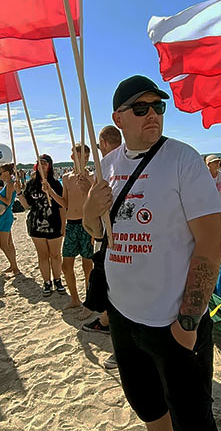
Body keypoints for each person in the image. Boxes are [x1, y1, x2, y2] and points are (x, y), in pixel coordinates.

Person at [83, 75, 221, 431]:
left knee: (192, 419)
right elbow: (99, 234)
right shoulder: (108, 166)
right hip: (122, 315)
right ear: (119, 118)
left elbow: (211, 243)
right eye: (141, 108)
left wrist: (189, 322)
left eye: (158, 106)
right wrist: (88, 213)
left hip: (172, 321)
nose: (153, 114)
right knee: (148, 407)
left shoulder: (183, 160)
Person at [82, 125, 123, 370]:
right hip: (117, 240)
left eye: (99, 146)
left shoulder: (108, 167)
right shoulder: (114, 166)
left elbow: (95, 227)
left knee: (117, 294)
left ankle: (122, 349)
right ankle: (107, 322)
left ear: (105, 143)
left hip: (119, 242)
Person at [45, 143, 93, 318]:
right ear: (73, 157)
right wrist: (50, 192)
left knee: (87, 266)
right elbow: (65, 203)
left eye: (86, 157)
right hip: (72, 224)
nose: (83, 159)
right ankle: (75, 299)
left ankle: (89, 302)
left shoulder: (92, 177)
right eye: (79, 155)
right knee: (67, 266)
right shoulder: (66, 177)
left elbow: (94, 204)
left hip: (86, 224)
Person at [17, 155, 66, 296]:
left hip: (54, 223)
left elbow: (62, 206)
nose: (42, 166)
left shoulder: (56, 184)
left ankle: (58, 280)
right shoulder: (31, 184)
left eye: (45, 164)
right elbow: (27, 205)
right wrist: (19, 192)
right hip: (36, 224)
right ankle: (47, 282)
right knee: (43, 255)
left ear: (49, 166)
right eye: (39, 163)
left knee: (55, 255)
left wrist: (63, 226)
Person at [0, 163, 22, 275]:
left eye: (0, 173)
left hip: (6, 215)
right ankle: (14, 266)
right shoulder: (9, 183)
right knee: (9, 243)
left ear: (7, 173)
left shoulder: (10, 184)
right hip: (5, 215)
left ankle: (15, 267)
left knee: (3, 244)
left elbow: (8, 201)